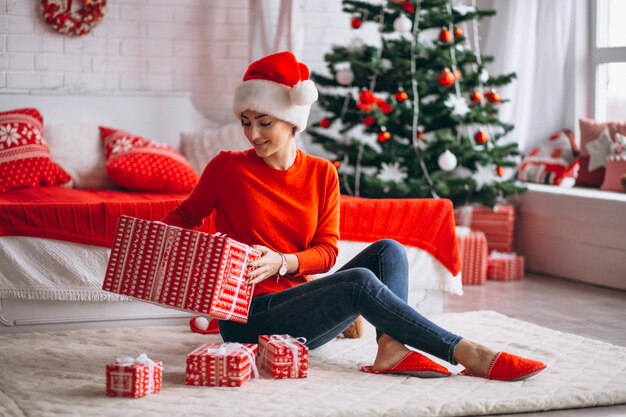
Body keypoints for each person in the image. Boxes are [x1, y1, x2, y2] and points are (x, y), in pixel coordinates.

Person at [162, 51, 546, 381]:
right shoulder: (228, 168)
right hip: (248, 319)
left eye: (265, 122)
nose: (253, 134)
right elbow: (185, 216)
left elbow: (327, 251)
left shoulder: (321, 173)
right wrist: (148, 248)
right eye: (245, 122)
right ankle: (467, 353)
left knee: (389, 251)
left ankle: (390, 348)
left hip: (300, 312)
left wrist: (284, 262)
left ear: (292, 120)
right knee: (358, 282)